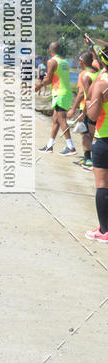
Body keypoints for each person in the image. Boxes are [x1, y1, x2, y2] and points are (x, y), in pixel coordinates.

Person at [83, 46, 108, 243]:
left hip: (104, 139)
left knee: (102, 186)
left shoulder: (101, 84)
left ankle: (105, 230)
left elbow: (92, 116)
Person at [36, 41, 76, 155]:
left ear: (50, 51)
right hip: (66, 93)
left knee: (61, 119)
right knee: (55, 120)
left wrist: (38, 86)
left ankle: (71, 146)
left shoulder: (52, 61)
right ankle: (49, 146)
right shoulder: (65, 62)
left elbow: (48, 80)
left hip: (59, 94)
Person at [68, 51, 98, 170]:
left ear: (81, 62)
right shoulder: (99, 73)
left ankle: (88, 160)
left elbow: (84, 94)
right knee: (94, 134)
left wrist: (76, 110)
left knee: (85, 134)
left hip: (87, 108)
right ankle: (93, 159)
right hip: (98, 109)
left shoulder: (85, 75)